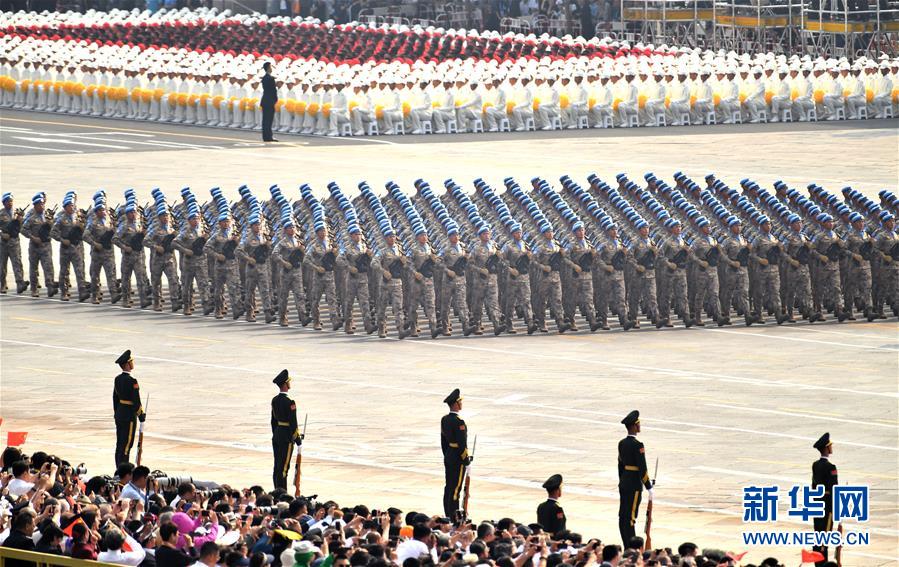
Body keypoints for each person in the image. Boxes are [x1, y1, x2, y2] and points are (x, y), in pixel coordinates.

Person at [617, 410, 653, 547]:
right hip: (634, 484)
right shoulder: (638, 445)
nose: (640, 426)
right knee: (631, 517)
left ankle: (626, 543)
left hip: (624, 482)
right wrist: (648, 486)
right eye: (638, 424)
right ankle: (631, 547)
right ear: (634, 426)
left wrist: (622, 480)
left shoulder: (621, 443)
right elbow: (642, 468)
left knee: (623, 516)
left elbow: (620, 465)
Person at [440, 388, 470, 519]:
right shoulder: (459, 421)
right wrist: (466, 459)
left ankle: (448, 512)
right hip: (458, 457)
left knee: (449, 486)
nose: (461, 404)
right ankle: (454, 515)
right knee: (456, 489)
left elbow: (443, 440)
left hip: (449, 454)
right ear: (456, 404)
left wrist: (447, 454)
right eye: (460, 402)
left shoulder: (445, 419)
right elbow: (462, 443)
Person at [271, 369, 303, 491]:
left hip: (277, 434)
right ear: (285, 384)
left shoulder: (274, 400)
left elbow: (273, 421)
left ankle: (276, 489)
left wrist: (276, 434)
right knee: (284, 468)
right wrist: (297, 437)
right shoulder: (289, 402)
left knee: (277, 466)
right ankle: (282, 492)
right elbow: (293, 422)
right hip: (286, 437)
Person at [113, 349, 145, 467]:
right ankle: (124, 468)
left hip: (120, 414)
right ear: (127, 364)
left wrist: (117, 412)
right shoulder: (132, 381)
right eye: (131, 361)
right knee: (127, 444)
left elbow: (115, 398)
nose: (132, 363)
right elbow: (136, 400)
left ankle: (118, 466)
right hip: (129, 415)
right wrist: (141, 414)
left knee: (120, 443)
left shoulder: (117, 379)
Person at [811, 433, 838, 566]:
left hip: (816, 506)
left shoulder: (815, 465)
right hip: (828, 507)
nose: (831, 447)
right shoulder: (831, 467)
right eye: (830, 446)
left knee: (818, 535)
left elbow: (814, 486)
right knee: (825, 538)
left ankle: (817, 562)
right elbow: (834, 490)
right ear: (827, 449)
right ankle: (823, 564)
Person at [0, 192, 28, 295]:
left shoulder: (16, 213)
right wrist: (2, 234)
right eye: (8, 201)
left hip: (14, 242)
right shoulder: (1, 214)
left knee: (17, 263)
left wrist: (20, 220)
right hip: (3, 243)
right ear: (4, 202)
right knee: (2, 265)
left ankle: (20, 283)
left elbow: (22, 228)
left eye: (11, 201)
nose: (10, 203)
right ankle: (2, 284)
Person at [260, 62, 278, 142]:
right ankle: (269, 137)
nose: (271, 68)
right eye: (270, 67)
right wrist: (275, 100)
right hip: (270, 101)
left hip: (265, 100)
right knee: (269, 120)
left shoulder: (264, 78)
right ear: (268, 68)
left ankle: (265, 136)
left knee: (265, 120)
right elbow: (273, 91)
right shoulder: (270, 79)